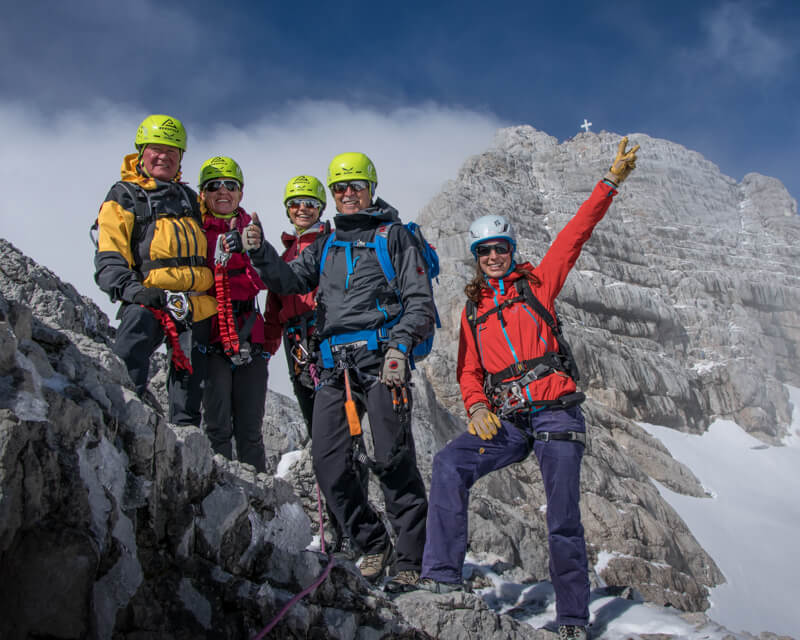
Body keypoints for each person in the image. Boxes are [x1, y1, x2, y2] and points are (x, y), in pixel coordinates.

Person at [419, 138, 639, 640]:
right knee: (449, 463)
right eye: (484, 251)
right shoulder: (472, 312)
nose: (493, 256)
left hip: (556, 412)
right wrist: (474, 405)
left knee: (562, 517)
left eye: (500, 248)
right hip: (509, 421)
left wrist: (610, 183)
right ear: (476, 257)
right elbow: (468, 372)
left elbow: (574, 234)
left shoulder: (539, 284)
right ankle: (441, 576)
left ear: (511, 251)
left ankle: (572, 620)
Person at [242, 152, 432, 592]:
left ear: (371, 187)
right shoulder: (326, 243)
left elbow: (418, 299)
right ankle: (372, 542)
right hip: (333, 367)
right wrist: (259, 250)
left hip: (383, 360)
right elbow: (289, 281)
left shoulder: (393, 236)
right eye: (340, 188)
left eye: (355, 186)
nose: (348, 194)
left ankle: (410, 558)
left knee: (392, 458)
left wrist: (400, 346)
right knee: (328, 464)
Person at [94, 114, 215, 425]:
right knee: (124, 381)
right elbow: (110, 257)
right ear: (141, 152)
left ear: (181, 158)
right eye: (156, 149)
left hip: (196, 309)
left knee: (189, 402)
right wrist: (136, 292)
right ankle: (119, 435)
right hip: (149, 302)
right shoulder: (125, 196)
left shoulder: (190, 199)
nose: (164, 157)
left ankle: (186, 458)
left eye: (172, 152)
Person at [199, 156, 279, 473]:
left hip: (250, 337)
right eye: (213, 186)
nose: (223, 191)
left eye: (230, 185)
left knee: (250, 431)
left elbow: (264, 280)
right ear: (202, 193)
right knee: (217, 427)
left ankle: (257, 502)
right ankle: (219, 488)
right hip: (211, 336)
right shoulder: (193, 229)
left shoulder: (250, 229)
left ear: (240, 193)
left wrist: (251, 249)